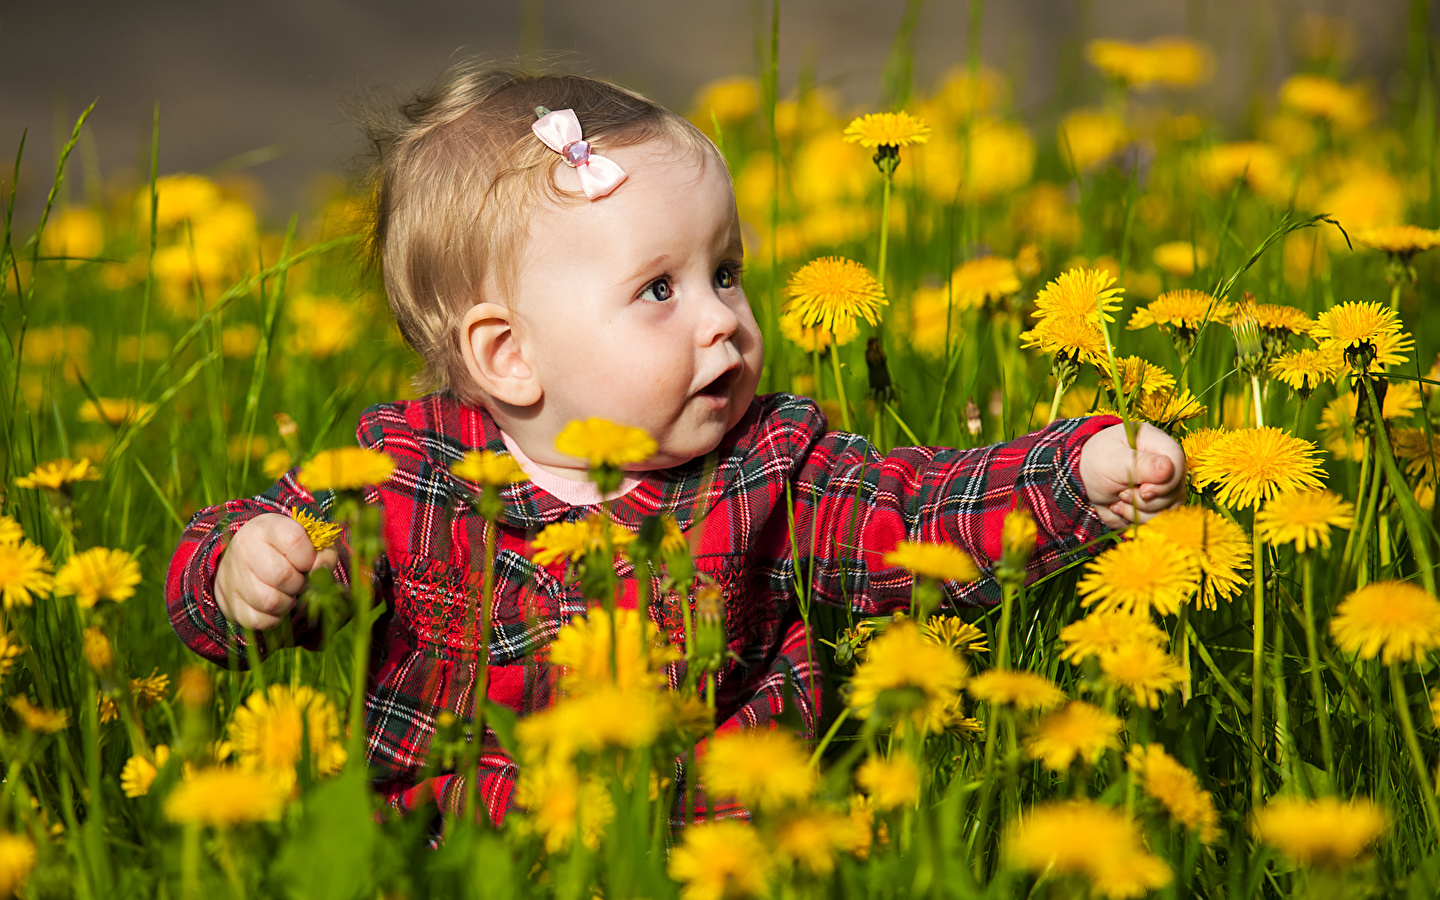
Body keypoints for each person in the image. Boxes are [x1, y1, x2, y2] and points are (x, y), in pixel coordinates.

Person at [166, 64, 1186, 830]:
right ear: (508, 354)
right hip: (454, 848)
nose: (722, 321)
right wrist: (248, 572)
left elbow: (919, 511)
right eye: (661, 289)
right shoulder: (402, 474)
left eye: (726, 271)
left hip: (712, 844)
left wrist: (1077, 472)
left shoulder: (768, 466)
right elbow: (225, 565)